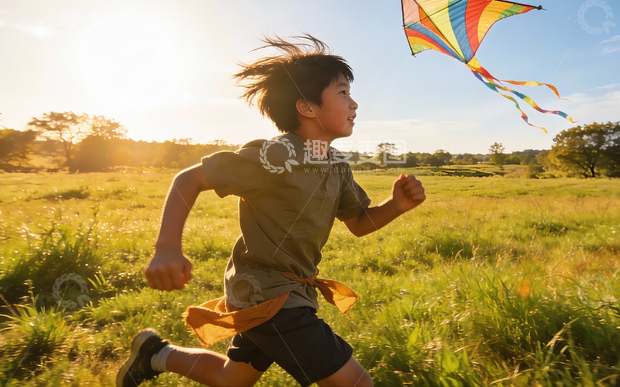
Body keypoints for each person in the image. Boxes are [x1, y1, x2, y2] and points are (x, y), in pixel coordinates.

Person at [117, 35, 426, 386]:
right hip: (267, 296)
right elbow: (189, 179)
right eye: (343, 93)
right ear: (307, 107)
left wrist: (397, 206)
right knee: (355, 384)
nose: (354, 104)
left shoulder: (337, 164)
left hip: (291, 293)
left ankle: (155, 354)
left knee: (231, 380)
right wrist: (168, 249)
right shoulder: (274, 157)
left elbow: (358, 221)